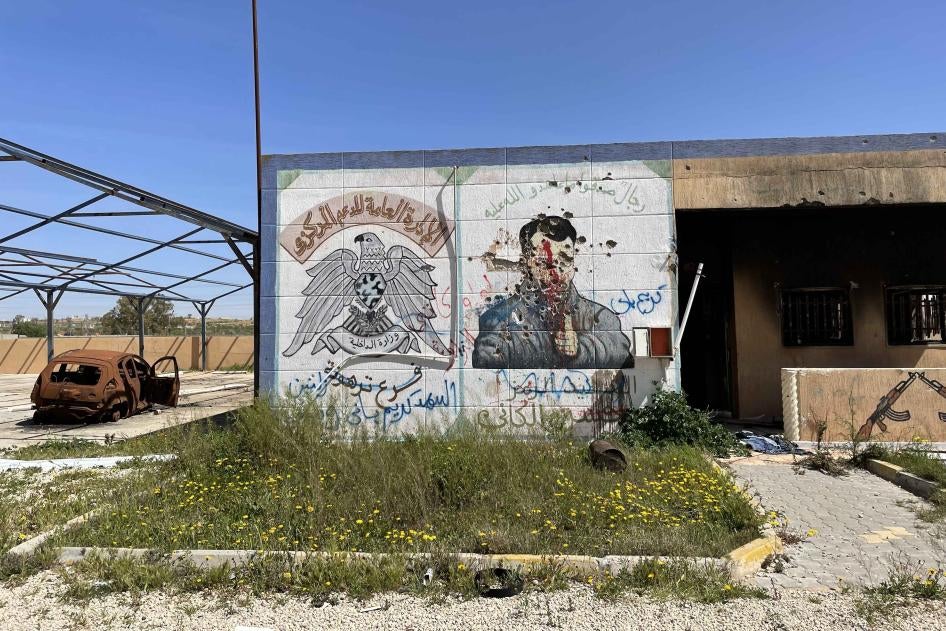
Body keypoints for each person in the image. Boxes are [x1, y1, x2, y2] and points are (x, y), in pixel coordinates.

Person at [472, 215, 633, 369]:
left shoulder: (601, 318)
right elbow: (486, 364)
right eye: (544, 262)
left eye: (564, 260)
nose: (556, 272)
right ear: (527, 263)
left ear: (573, 264)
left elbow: (621, 352)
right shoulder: (497, 321)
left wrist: (581, 349)